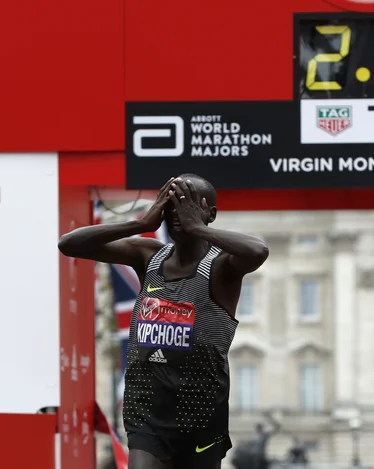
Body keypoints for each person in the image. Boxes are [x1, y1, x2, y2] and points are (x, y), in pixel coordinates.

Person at [59, 175, 269, 469]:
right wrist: (141, 225)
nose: (178, 214)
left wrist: (198, 228)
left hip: (200, 414)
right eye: (171, 206)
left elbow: (258, 251)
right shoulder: (149, 256)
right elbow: (70, 244)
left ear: (210, 213)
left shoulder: (222, 266)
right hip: (147, 414)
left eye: (189, 205)